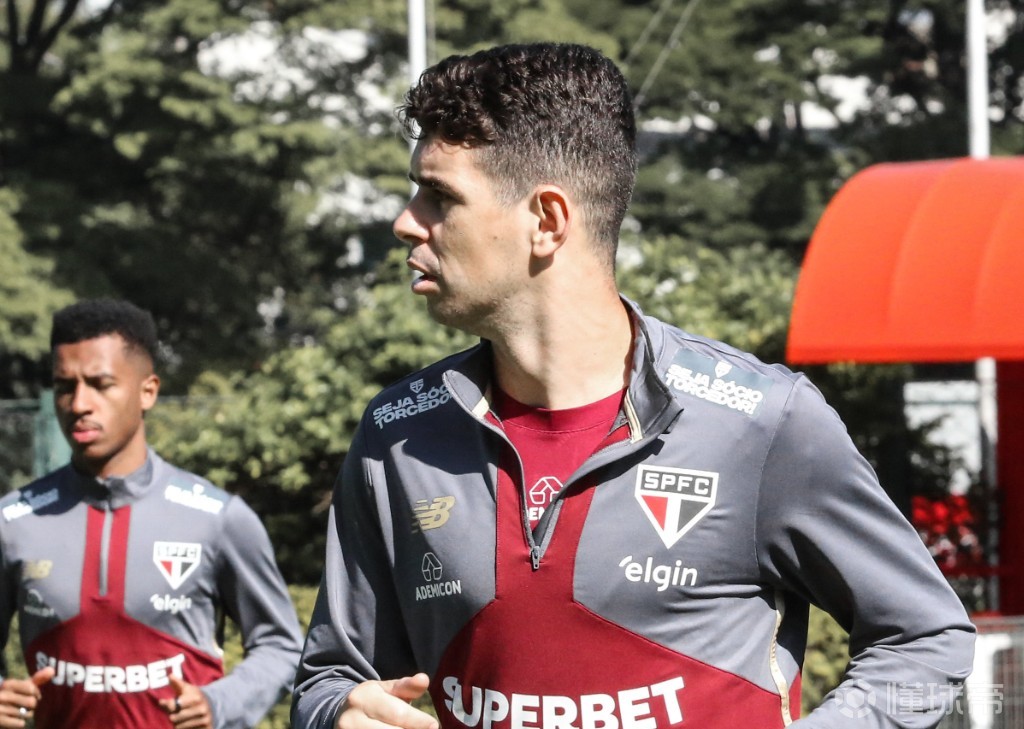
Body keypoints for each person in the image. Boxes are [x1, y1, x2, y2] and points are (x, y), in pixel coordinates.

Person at [292, 43, 975, 729]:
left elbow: (925, 638)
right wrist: (337, 714)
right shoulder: (398, 433)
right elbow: (329, 678)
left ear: (547, 221)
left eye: (440, 196)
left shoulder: (761, 421)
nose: (406, 221)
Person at [0, 299, 303, 729]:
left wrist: (219, 704)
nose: (79, 403)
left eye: (101, 384)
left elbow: (281, 644)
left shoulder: (217, 518)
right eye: (65, 386)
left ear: (148, 391)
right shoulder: (14, 521)